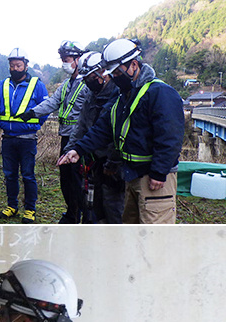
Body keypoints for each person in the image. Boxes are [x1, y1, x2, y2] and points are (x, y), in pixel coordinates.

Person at [58, 39, 184, 224]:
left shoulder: (160, 93)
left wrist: (159, 172)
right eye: (112, 73)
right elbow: (103, 128)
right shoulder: (122, 96)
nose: (115, 77)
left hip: (154, 178)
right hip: (132, 175)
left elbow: (170, 137)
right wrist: (78, 149)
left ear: (134, 64)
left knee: (154, 231)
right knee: (130, 228)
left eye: (118, 72)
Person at [21, 41, 89, 224]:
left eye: (67, 60)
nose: (64, 64)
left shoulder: (87, 83)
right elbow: (53, 102)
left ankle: (83, 216)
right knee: (66, 180)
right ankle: (71, 212)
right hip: (65, 136)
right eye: (62, 60)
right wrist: (33, 112)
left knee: (79, 180)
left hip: (80, 139)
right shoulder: (67, 84)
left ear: (78, 60)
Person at [0, 48, 48, 224]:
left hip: (27, 139)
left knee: (28, 175)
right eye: (12, 66)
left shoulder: (36, 84)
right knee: (9, 174)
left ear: (26, 65)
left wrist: (36, 124)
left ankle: (30, 209)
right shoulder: (3, 84)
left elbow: (46, 106)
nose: (15, 68)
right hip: (8, 139)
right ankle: (12, 206)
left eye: (18, 65)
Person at [63, 51, 123, 223]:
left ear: (103, 73)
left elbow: (115, 133)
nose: (88, 82)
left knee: (114, 207)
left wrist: (113, 161)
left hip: (113, 163)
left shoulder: (118, 95)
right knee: (92, 204)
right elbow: (81, 125)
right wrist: (71, 149)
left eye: (90, 77)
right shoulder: (91, 96)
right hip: (94, 159)